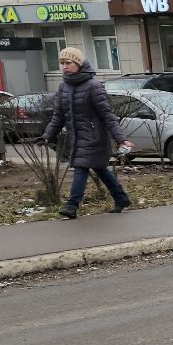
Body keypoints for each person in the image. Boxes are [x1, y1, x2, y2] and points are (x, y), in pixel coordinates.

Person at [42, 47, 133, 219]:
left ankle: (71, 206)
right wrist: (47, 136)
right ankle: (121, 198)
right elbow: (58, 116)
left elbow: (108, 115)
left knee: (80, 168)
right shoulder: (64, 87)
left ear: (78, 64)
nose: (65, 67)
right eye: (62, 63)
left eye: (68, 63)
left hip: (94, 137)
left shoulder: (93, 86)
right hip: (76, 137)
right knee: (100, 169)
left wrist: (122, 138)